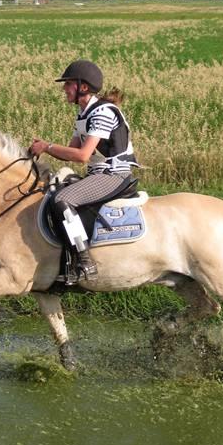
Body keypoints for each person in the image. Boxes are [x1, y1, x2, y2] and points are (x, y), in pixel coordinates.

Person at [30, 59, 138, 284]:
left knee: (62, 199)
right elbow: (72, 150)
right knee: (54, 190)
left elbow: (82, 156)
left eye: (68, 84)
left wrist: (47, 147)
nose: (64, 89)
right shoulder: (83, 115)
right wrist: (44, 149)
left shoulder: (102, 113)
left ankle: (84, 260)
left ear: (83, 87)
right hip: (97, 174)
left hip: (113, 175)